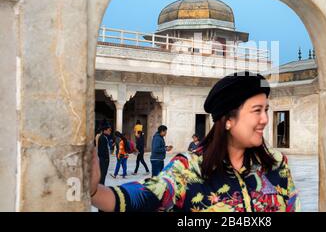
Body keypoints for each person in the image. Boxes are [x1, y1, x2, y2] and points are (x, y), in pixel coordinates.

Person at [91, 71, 301, 212]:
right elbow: (149, 195)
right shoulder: (188, 168)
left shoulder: (276, 164)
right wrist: (94, 191)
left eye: (266, 110)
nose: (265, 120)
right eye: (257, 111)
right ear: (228, 120)